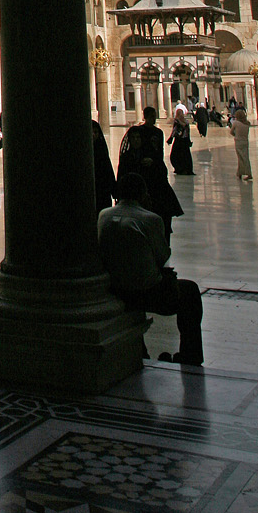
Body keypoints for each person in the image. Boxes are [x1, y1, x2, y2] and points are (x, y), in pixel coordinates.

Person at [98, 173, 203, 366]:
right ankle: (190, 355)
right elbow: (162, 257)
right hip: (145, 291)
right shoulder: (151, 219)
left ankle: (141, 349)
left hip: (113, 289)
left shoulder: (104, 215)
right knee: (190, 292)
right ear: (143, 194)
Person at [117, 106, 184, 244]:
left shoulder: (158, 133)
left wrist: (153, 161)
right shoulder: (131, 157)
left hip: (157, 181)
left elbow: (159, 154)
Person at [92, 120, 117, 214]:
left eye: (96, 132)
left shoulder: (101, 151)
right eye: (91, 132)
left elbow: (108, 170)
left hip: (102, 192)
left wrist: (114, 191)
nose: (93, 135)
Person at [167, 105, 194, 175]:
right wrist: (189, 141)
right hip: (185, 141)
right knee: (186, 156)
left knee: (174, 155)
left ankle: (179, 169)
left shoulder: (177, 121)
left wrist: (170, 139)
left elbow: (174, 131)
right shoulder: (186, 122)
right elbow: (188, 132)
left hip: (178, 141)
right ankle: (186, 169)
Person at [230, 105, 252, 180]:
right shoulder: (247, 123)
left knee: (240, 158)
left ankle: (241, 173)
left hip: (238, 142)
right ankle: (245, 173)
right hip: (245, 142)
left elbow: (231, 132)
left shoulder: (236, 123)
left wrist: (236, 135)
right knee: (246, 157)